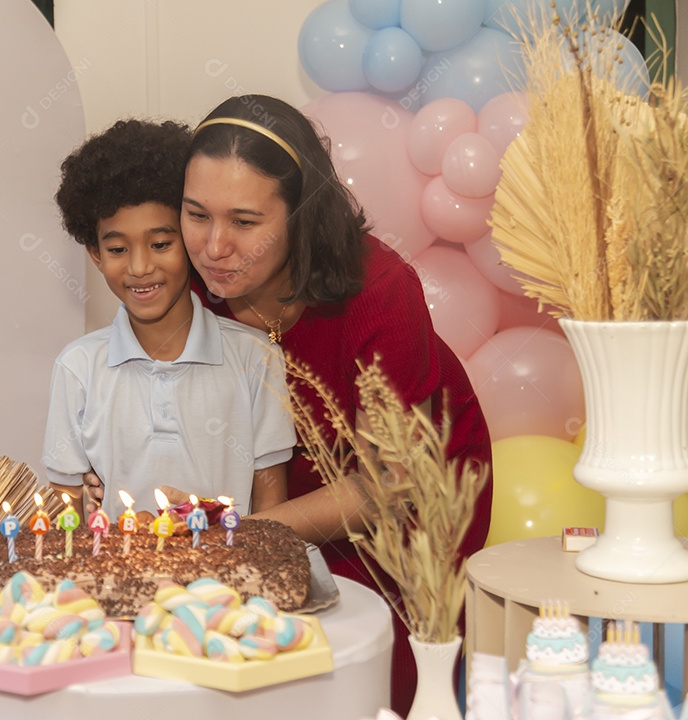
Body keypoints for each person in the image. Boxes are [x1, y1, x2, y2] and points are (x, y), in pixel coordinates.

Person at [87, 96, 493, 713]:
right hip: (263, 495)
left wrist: (237, 539)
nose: (213, 246)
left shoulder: (380, 290)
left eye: (245, 223)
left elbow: (389, 484)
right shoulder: (187, 283)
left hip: (407, 498)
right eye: (196, 214)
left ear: (301, 217)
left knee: (351, 671)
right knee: (216, 656)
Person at [43, 118, 296, 523]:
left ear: (188, 236)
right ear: (95, 253)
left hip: (224, 584)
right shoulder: (78, 369)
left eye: (160, 244)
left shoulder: (256, 359)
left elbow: (273, 512)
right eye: (118, 248)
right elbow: (66, 516)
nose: (140, 267)